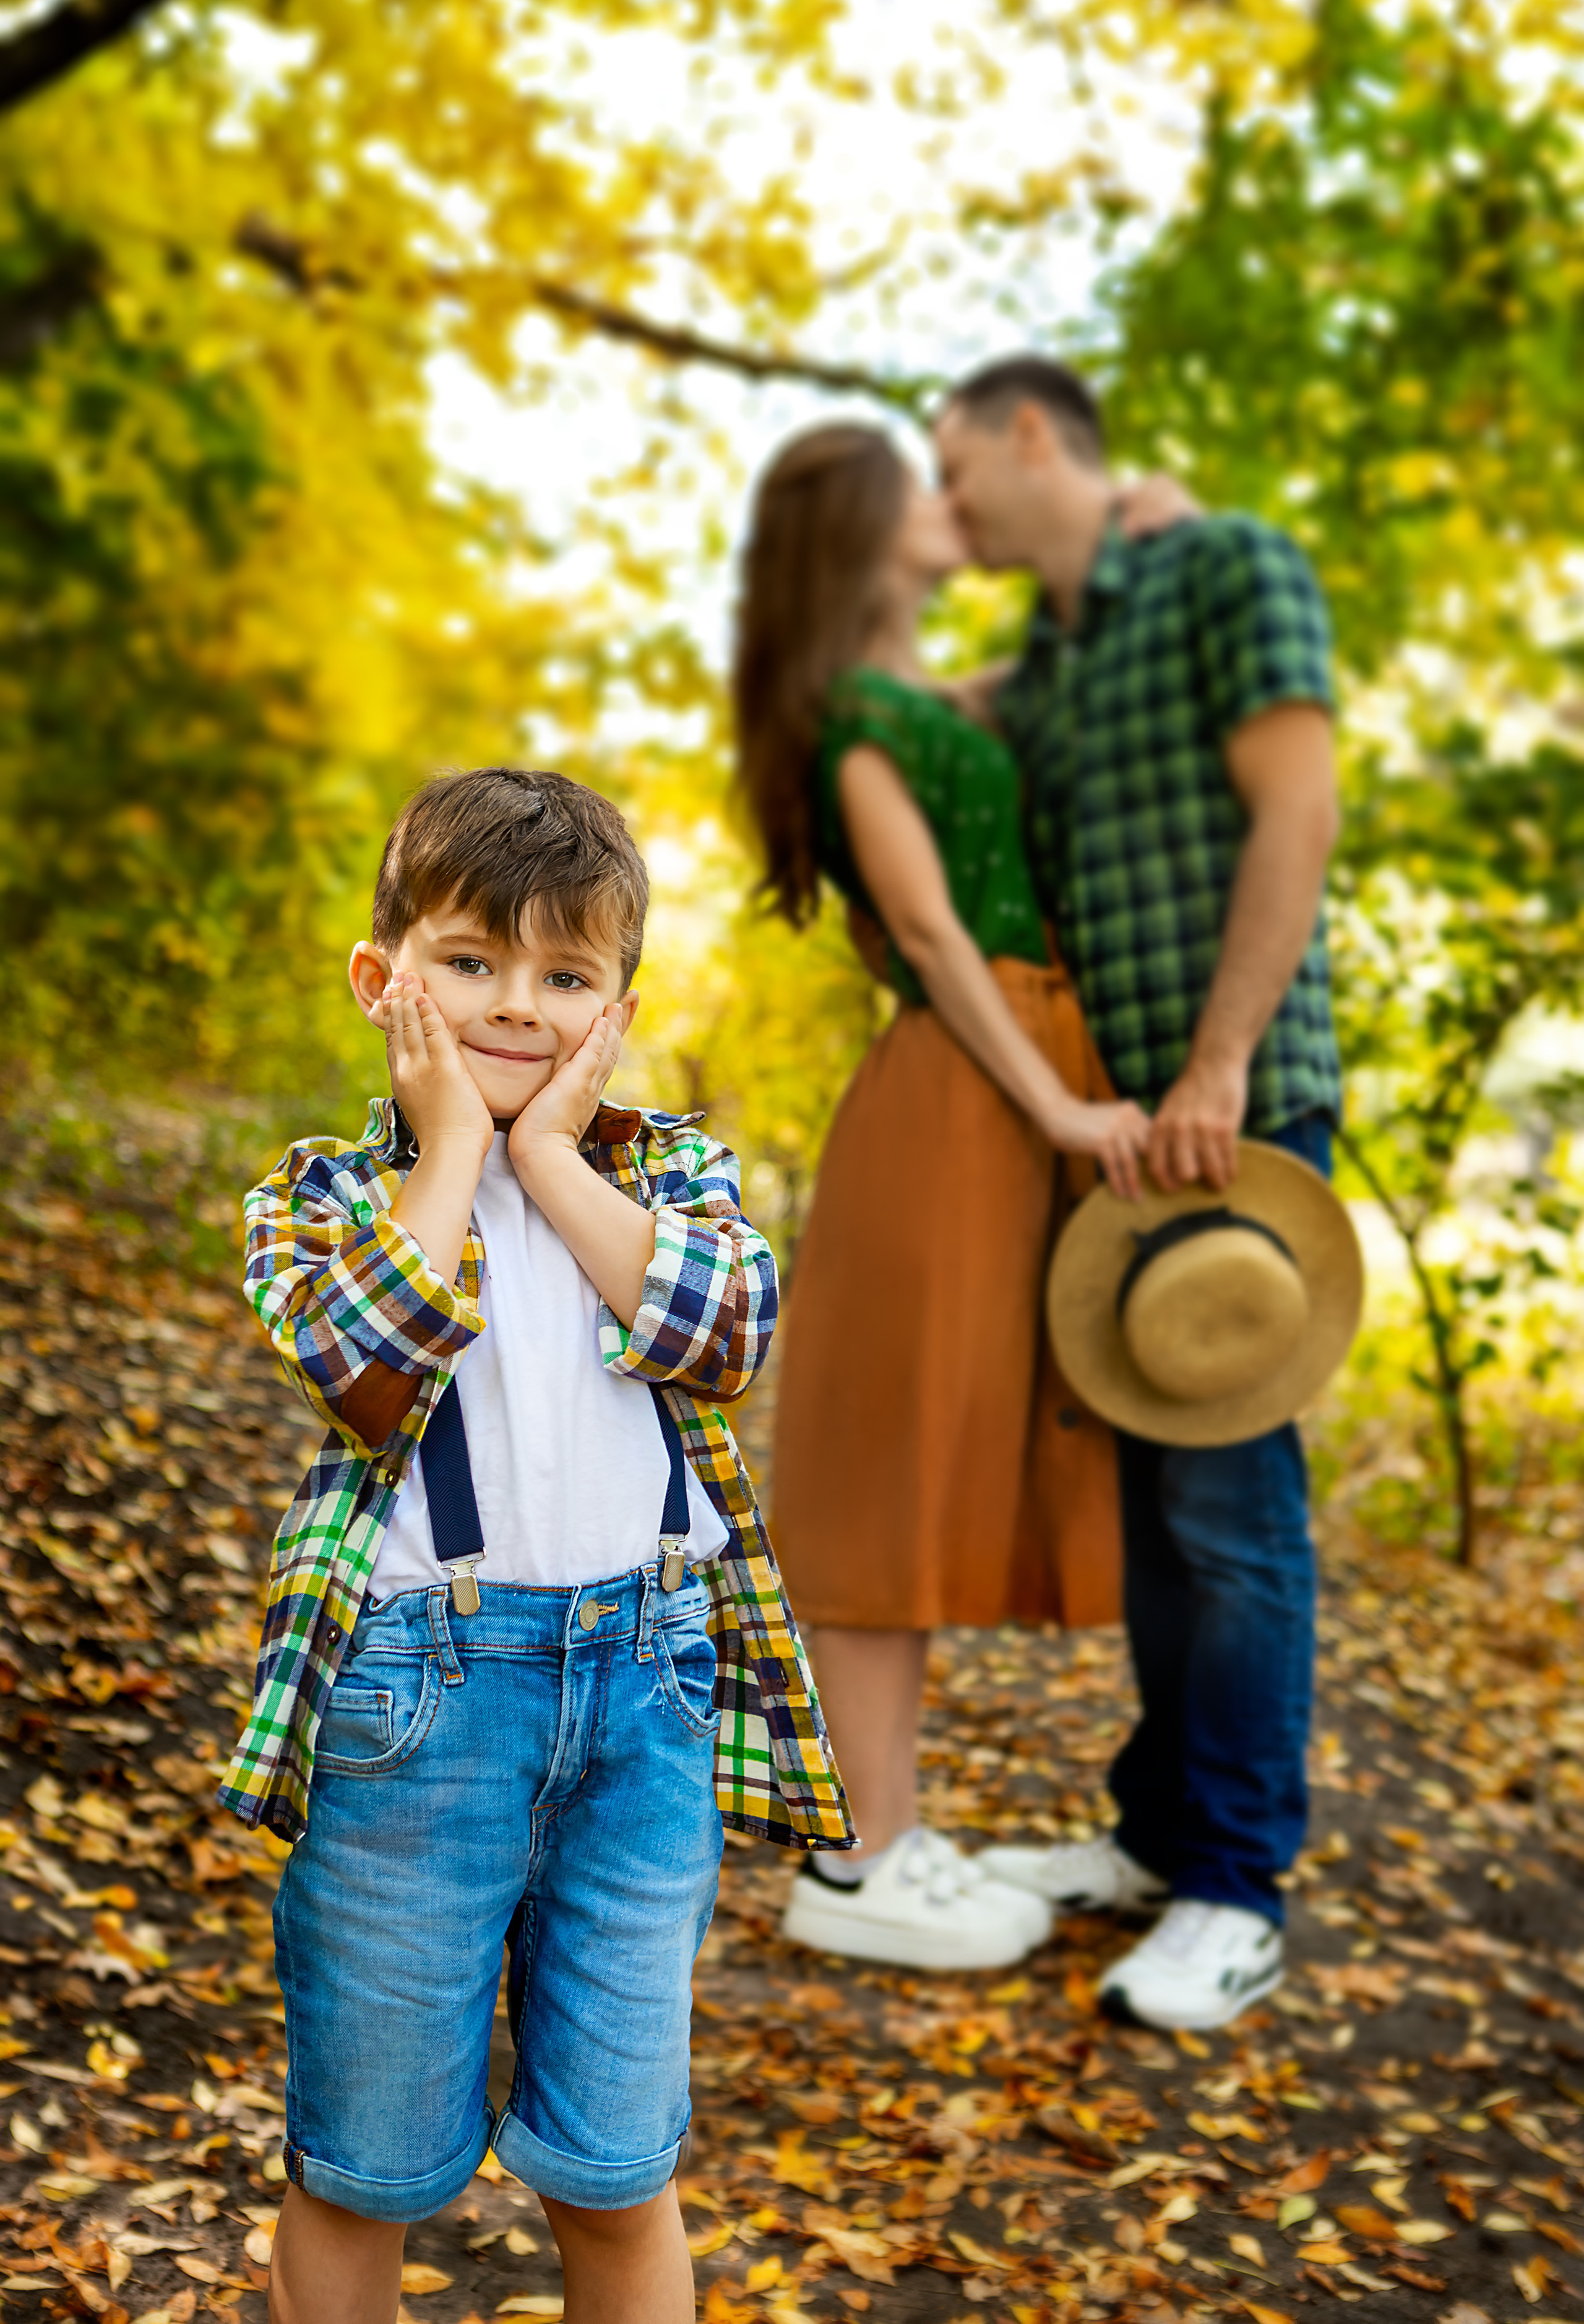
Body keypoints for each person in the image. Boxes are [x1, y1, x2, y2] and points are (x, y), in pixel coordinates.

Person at [218, 768, 850, 2324]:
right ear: (385, 979)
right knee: (361, 2166)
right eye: (469, 961)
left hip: (645, 1697)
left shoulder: (678, 1181)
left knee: (618, 2167)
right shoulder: (329, 1195)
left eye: (565, 977)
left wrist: (554, 1162)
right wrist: (451, 1154)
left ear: (617, 1008)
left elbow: (724, 1332)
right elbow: (366, 1372)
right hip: (416, 1708)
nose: (516, 1007)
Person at [733, 423, 1176, 1972]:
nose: (949, 504)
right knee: (886, 1468)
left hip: (1011, 1083)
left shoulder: (927, 700)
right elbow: (922, 933)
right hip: (963, 1093)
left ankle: (881, 1837)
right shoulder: (852, 719)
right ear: (860, 536)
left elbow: (1056, 665)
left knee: (943, 1457)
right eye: (917, 488)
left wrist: (1135, 530)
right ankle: (855, 1858)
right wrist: (1050, 1094)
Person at [936, 355, 1341, 2033]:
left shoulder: (1230, 563)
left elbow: (1298, 807)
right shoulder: (1054, 659)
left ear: (1040, 437)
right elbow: (903, 715)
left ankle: (1239, 1890)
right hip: (1116, 1138)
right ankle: (1161, 1838)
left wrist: (1221, 1063)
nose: (952, 518)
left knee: (1235, 1514)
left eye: (959, 479)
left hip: (1231, 1109)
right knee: (1167, 1516)